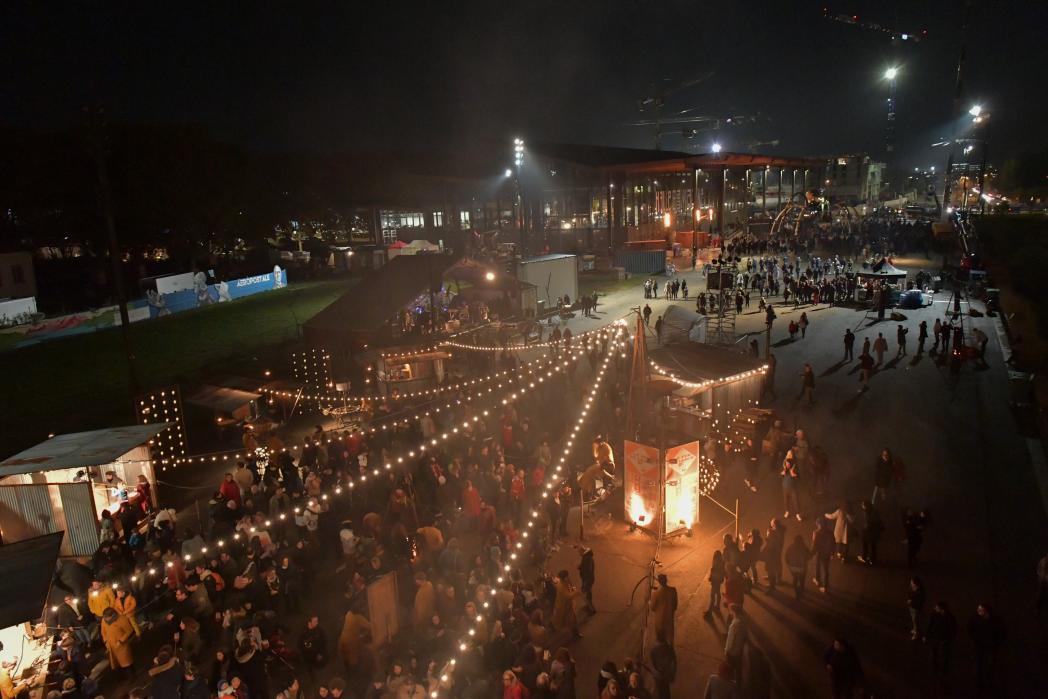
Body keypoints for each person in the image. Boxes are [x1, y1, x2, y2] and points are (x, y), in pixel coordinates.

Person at [968, 603, 1005, 695]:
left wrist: (997, 642)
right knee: (979, 665)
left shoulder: (995, 620)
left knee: (990, 665)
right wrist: (975, 639)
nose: (978, 611)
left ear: (986, 611)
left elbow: (1002, 632)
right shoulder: (975, 619)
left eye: (981, 609)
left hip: (991, 646)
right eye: (978, 609)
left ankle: (989, 682)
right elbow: (970, 629)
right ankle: (980, 683)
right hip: (979, 645)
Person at [927, 600, 957, 690]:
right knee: (934, 654)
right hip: (935, 639)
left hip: (944, 640)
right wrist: (927, 635)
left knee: (944, 656)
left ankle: (943, 672)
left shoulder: (950, 618)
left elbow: (953, 630)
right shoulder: (934, 615)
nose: (935, 608)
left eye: (937, 607)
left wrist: (949, 639)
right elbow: (930, 625)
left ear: (942, 609)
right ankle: (935, 669)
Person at [649, 574, 677, 647]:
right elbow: (675, 606)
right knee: (670, 642)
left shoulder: (655, 593)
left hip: (660, 622)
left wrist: (649, 601)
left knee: (660, 642)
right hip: (669, 621)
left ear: (659, 581)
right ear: (666, 580)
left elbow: (652, 607)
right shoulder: (673, 591)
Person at [723, 604, 747, 682]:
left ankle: (731, 683)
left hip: (732, 652)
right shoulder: (743, 622)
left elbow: (730, 641)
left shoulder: (734, 625)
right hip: (739, 650)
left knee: (730, 669)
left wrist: (726, 650)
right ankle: (739, 682)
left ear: (733, 612)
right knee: (738, 669)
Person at [649, 632, 676, 699]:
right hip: (666, 674)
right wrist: (672, 675)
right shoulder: (669, 648)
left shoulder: (654, 650)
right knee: (666, 690)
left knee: (659, 691)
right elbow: (673, 662)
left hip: (658, 675)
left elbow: (653, 662)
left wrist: (656, 671)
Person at [857, 500, 883, 566]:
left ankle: (864, 557)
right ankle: (872, 559)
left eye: (863, 505)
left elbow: (866, 522)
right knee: (872, 546)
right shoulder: (875, 511)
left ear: (866, 505)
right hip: (873, 532)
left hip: (867, 531)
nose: (862, 506)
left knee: (865, 545)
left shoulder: (866, 512)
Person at [811, 519, 834, 594]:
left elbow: (814, 545)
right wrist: (832, 553)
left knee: (816, 566)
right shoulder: (830, 533)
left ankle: (818, 580)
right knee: (825, 569)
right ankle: (824, 585)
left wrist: (811, 553)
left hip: (818, 554)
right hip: (826, 554)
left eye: (817, 524)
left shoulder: (816, 533)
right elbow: (833, 543)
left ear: (819, 524)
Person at [704, 550, 725, 617]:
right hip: (718, 581)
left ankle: (710, 611)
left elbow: (714, 573)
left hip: (715, 582)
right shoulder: (721, 563)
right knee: (718, 593)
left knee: (712, 596)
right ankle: (717, 606)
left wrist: (711, 577)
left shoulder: (716, 564)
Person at [907, 576, 926, 641]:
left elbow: (920, 601)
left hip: (916, 608)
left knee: (916, 621)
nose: (911, 583)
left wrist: (911, 601)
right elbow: (909, 594)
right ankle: (915, 629)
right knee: (913, 620)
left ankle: (916, 634)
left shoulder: (920, 591)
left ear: (916, 583)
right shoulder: (912, 588)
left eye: (912, 582)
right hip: (912, 607)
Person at [578, 546, 596, 614]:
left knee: (586, 592)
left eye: (579, 552)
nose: (579, 553)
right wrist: (580, 567)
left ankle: (591, 609)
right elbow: (585, 566)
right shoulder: (586, 557)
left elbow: (588, 570)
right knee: (587, 592)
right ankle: (589, 606)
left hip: (588, 579)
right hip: (587, 578)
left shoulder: (587, 559)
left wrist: (586, 582)